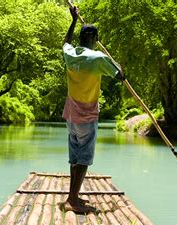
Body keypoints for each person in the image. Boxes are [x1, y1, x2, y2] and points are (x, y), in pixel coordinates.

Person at [62, 6, 124, 213]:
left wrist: (72, 20)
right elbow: (120, 75)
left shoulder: (70, 54)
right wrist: (115, 63)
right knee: (84, 158)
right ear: (95, 38)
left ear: (80, 38)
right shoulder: (98, 59)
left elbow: (65, 43)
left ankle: (73, 196)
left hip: (70, 114)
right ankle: (72, 200)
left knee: (75, 157)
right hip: (87, 115)